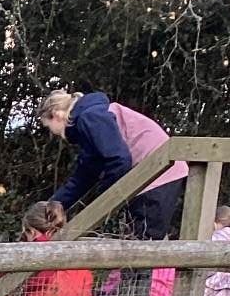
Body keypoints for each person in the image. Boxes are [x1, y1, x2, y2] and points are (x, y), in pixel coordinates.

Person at [38, 88, 189, 241]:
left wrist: (104, 199)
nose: (52, 133)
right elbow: (85, 174)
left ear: (56, 114)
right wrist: (55, 203)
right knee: (137, 242)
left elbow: (119, 160)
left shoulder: (91, 117)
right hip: (151, 174)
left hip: (157, 173)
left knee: (143, 243)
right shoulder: (90, 119)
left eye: (48, 126)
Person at [0, 200, 95, 296]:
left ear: (31, 231)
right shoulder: (78, 256)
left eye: (25, 233)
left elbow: (1, 285)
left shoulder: (31, 253)